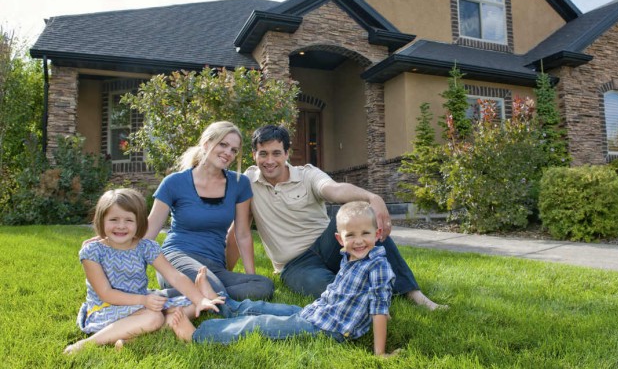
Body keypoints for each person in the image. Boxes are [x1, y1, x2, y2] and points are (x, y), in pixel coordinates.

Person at [227, 124, 446, 310]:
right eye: (262, 154)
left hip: (331, 243)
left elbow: (336, 190)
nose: (269, 160)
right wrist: (231, 275)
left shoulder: (307, 174)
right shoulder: (248, 184)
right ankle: (363, 293)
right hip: (294, 265)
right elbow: (238, 232)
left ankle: (413, 293)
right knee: (330, 292)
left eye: (276, 153)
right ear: (254, 155)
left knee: (364, 218)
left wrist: (372, 198)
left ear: (287, 154)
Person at [171, 201, 398, 356]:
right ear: (340, 239)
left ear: (378, 235)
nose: (359, 241)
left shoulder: (377, 267)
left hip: (329, 329)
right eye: (351, 235)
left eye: (366, 234)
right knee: (263, 308)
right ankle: (225, 305)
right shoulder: (350, 256)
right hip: (319, 312)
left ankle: (199, 335)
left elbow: (378, 310)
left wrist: (379, 353)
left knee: (261, 324)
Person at [65, 189, 224, 354]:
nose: (121, 226)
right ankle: (89, 343)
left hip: (141, 304)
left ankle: (131, 340)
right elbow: (106, 293)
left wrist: (198, 300)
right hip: (107, 308)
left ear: (139, 222)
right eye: (113, 219)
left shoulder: (145, 247)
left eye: (128, 220)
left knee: (191, 304)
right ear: (101, 220)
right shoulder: (92, 252)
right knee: (155, 317)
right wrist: (143, 300)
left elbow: (174, 276)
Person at [146, 121, 274, 301]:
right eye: (223, 144)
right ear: (206, 144)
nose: (228, 153)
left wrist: (250, 277)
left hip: (215, 266)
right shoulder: (174, 182)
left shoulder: (239, 184)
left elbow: (243, 234)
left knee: (263, 286)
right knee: (211, 285)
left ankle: (168, 297)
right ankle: (203, 294)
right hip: (177, 258)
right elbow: (149, 233)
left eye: (234, 150)